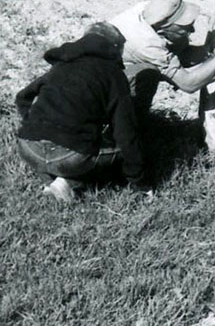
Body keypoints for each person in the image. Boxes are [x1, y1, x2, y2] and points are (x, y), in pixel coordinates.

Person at [15, 22, 146, 203]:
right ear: (114, 47)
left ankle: (50, 178)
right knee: (121, 149)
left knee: (64, 147)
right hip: (70, 156)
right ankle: (68, 181)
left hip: (28, 147)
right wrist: (138, 180)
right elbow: (126, 132)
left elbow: (22, 97)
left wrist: (32, 123)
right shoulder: (113, 74)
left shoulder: (61, 65)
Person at [110, 0, 215, 117]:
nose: (192, 30)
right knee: (148, 73)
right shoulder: (147, 44)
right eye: (184, 28)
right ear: (162, 31)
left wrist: (209, 48)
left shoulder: (150, 11)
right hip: (105, 84)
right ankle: (127, 125)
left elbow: (179, 54)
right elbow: (189, 84)